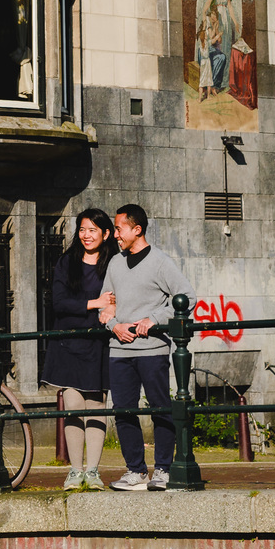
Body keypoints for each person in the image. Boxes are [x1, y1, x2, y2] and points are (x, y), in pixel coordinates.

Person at [100, 204, 195, 491]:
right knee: (123, 410)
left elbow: (187, 297)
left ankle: (163, 470)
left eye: (119, 228)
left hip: (152, 349)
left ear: (136, 229)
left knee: (160, 408)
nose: (115, 234)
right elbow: (105, 303)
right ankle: (135, 472)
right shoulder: (115, 263)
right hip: (119, 350)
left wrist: (153, 319)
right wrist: (113, 324)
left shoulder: (160, 262)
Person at [40, 208, 117, 490]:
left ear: (106, 233)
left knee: (96, 405)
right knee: (72, 404)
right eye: (83, 229)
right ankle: (75, 470)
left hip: (98, 342)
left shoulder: (115, 264)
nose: (86, 235)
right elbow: (59, 303)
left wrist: (111, 307)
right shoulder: (66, 262)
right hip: (67, 342)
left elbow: (119, 300)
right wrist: (94, 303)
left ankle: (94, 471)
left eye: (93, 230)